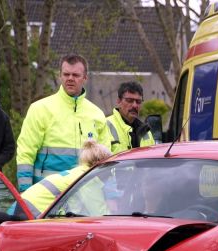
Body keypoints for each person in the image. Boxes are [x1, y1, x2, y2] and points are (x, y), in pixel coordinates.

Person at [16, 54, 111, 192]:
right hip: (47, 195)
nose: (70, 78)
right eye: (66, 74)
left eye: (75, 75)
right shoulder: (40, 109)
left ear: (85, 78)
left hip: (85, 195)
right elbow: (25, 152)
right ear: (60, 76)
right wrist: (25, 191)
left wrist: (111, 196)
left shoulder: (97, 114)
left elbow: (106, 161)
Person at [18, 139, 112, 218]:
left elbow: (76, 209)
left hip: (22, 205)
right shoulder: (89, 179)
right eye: (110, 166)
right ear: (101, 164)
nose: (111, 173)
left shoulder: (79, 172)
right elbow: (101, 214)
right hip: (30, 212)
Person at [107, 81, 155, 154]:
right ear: (119, 101)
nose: (135, 105)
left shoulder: (146, 132)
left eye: (138, 101)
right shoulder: (106, 126)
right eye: (129, 101)